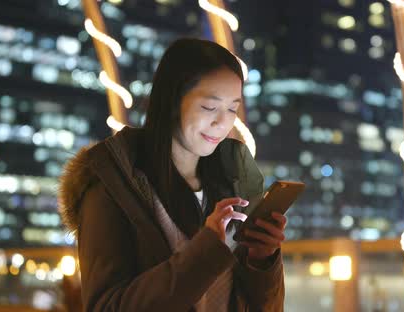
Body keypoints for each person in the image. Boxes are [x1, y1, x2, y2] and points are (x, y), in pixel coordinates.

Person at [58, 38, 286, 311]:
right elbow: (107, 307)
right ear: (172, 100)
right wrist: (205, 252)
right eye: (210, 107)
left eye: (232, 109)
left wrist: (263, 260)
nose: (222, 122)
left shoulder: (234, 183)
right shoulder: (113, 183)